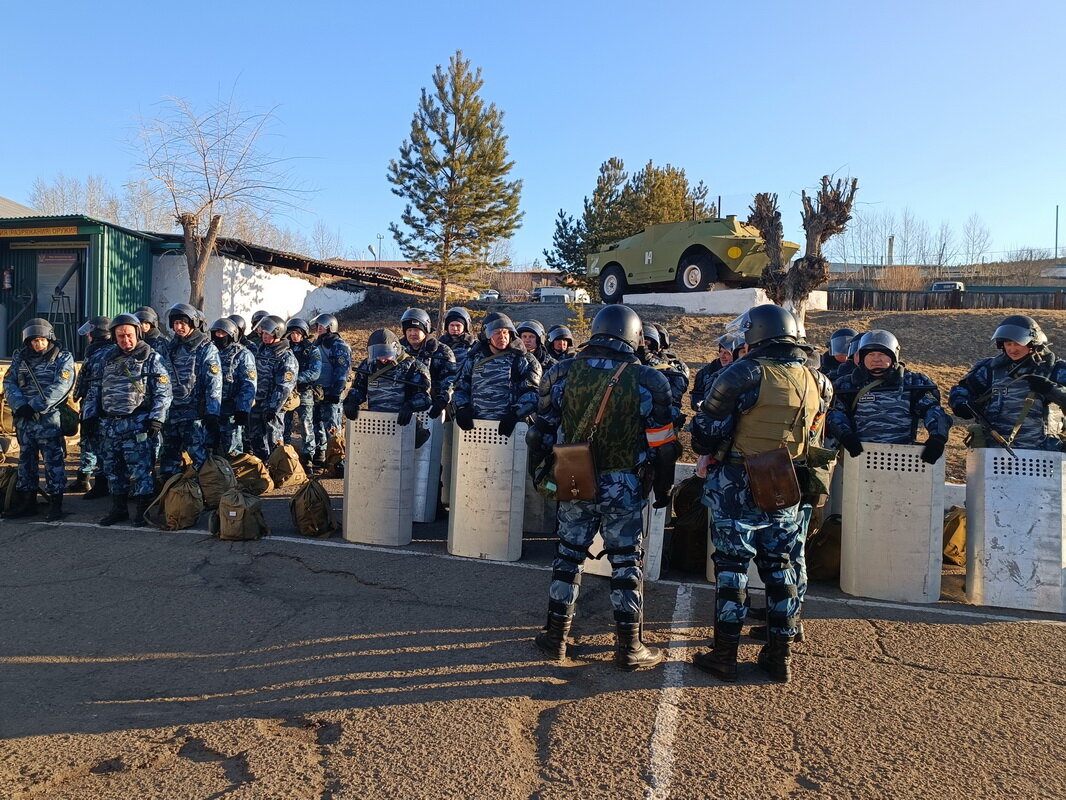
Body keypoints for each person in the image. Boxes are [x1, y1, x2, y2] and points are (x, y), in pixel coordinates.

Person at [527, 305, 678, 670]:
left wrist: (539, 475)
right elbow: (663, 445)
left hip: (573, 475)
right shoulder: (648, 380)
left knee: (568, 556)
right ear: (633, 336)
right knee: (626, 561)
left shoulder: (560, 372)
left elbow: (539, 433)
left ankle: (556, 638)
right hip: (624, 484)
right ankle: (630, 647)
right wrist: (664, 488)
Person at [690, 304, 833, 683]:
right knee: (780, 565)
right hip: (785, 481)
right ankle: (779, 656)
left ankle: (724, 655)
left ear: (758, 335)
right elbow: (814, 434)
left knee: (732, 568)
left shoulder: (744, 372)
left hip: (738, 482)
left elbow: (705, 435)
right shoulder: (817, 380)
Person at [87, 315, 173, 527]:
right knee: (113, 470)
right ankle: (119, 509)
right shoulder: (106, 358)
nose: (125, 340)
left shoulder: (152, 358)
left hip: (137, 424)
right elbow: (94, 389)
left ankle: (143, 511)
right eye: (120, 336)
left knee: (141, 470)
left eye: (129, 335)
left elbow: (163, 392)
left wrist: (157, 419)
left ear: (138, 334)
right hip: (110, 425)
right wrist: (89, 416)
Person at [828, 330, 952, 460]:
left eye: (882, 354)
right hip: (857, 456)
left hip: (903, 457)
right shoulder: (847, 384)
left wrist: (937, 437)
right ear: (862, 357)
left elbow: (933, 410)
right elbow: (835, 413)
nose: (876, 359)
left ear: (893, 356)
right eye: (871, 354)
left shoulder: (913, 382)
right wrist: (845, 435)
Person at [949, 314, 1066, 452]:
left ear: (1032, 343)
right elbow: (963, 390)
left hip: (1044, 453)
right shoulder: (990, 369)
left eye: (1017, 344)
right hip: (994, 450)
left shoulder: (1056, 369)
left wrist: (1050, 389)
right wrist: (961, 403)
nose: (1012, 349)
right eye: (1008, 344)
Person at [2, 319, 76, 521]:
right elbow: (9, 382)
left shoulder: (62, 357)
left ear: (49, 338)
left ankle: (56, 503)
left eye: (42, 340)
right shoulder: (21, 359)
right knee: (26, 462)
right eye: (34, 341)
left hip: (48, 420)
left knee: (53, 463)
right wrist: (20, 405)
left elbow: (61, 386)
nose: (39, 344)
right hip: (25, 421)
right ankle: (28, 501)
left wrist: (34, 406)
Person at [452, 314, 541, 437]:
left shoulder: (522, 360)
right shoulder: (473, 359)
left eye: (505, 332)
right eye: (497, 333)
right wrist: (462, 408)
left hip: (510, 428)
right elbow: (461, 388)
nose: (502, 337)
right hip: (476, 428)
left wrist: (516, 414)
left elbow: (533, 392)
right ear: (487, 336)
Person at [159, 303, 222, 478]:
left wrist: (212, 412)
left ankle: (209, 489)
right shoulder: (170, 348)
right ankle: (171, 489)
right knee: (169, 456)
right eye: (175, 323)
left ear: (192, 323)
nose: (178, 327)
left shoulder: (205, 348)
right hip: (172, 411)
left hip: (194, 413)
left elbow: (214, 383)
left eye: (183, 323)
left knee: (199, 456)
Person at [343, 329, 431, 421]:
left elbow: (425, 398)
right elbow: (359, 388)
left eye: (386, 354)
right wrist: (351, 400)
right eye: (378, 354)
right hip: (375, 422)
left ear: (395, 349)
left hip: (405, 422)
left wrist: (411, 405)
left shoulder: (414, 367)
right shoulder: (368, 365)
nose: (382, 359)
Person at [68, 316, 112, 497]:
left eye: (91, 332)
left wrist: (93, 411)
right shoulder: (96, 352)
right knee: (89, 442)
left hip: (98, 408)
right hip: (91, 405)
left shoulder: (104, 354)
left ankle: (101, 484)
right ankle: (83, 479)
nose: (88, 335)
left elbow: (97, 386)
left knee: (99, 445)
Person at [247, 315, 299, 460]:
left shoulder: (286, 357)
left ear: (277, 333)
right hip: (257, 404)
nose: (264, 336)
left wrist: (273, 408)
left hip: (273, 408)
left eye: (268, 333)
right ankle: (262, 468)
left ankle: (277, 468)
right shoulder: (260, 352)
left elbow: (284, 386)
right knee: (256, 440)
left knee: (274, 443)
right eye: (263, 333)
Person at [209, 317, 257, 456]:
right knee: (208, 448)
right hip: (211, 409)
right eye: (217, 333)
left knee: (232, 450)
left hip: (231, 410)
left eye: (223, 333)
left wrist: (243, 409)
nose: (220, 336)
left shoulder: (242, 354)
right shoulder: (209, 352)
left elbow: (248, 383)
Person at [311, 313, 352, 471]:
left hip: (332, 393)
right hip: (317, 392)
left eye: (322, 326)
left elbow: (342, 370)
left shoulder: (339, 345)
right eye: (318, 326)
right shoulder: (317, 343)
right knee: (317, 425)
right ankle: (320, 455)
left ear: (331, 327)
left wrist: (336, 392)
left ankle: (337, 459)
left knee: (332, 427)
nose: (319, 328)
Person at [400, 308, 457, 421]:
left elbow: (451, 379)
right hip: (403, 408)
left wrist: (442, 400)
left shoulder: (442, 351)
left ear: (425, 330)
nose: (412, 334)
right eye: (409, 330)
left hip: (434, 409)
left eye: (416, 330)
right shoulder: (398, 351)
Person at [284, 317, 323, 469]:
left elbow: (315, 372)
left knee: (306, 425)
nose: (294, 336)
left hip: (304, 392)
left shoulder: (312, 350)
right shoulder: (285, 349)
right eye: (292, 333)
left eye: (297, 333)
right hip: (287, 392)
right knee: (284, 424)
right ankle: (285, 455)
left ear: (304, 334)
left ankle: (308, 457)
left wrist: (294, 379)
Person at [639, 324, 689, 428]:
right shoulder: (625, 364)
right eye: (640, 342)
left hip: (658, 423)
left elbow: (673, 402)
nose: (643, 346)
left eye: (646, 342)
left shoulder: (670, 367)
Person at [691, 333, 740, 412]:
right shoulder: (707, 371)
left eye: (727, 353)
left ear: (736, 355)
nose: (722, 356)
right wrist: (701, 405)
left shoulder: (742, 373)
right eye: (720, 352)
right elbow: (696, 396)